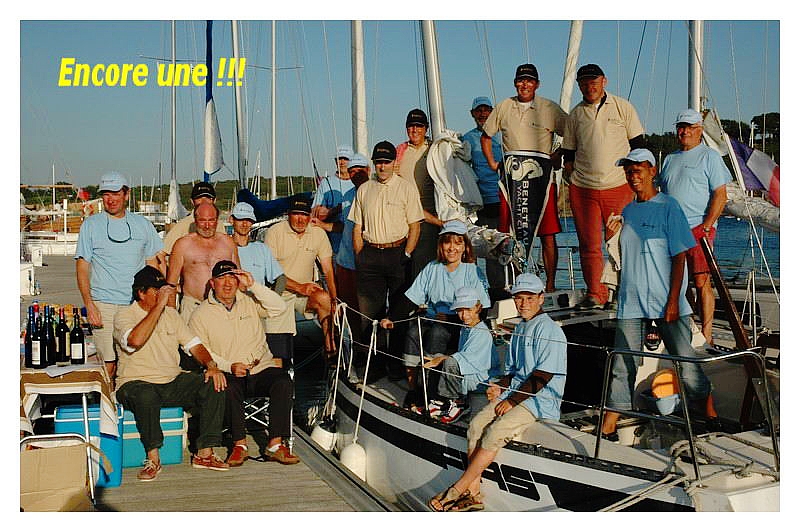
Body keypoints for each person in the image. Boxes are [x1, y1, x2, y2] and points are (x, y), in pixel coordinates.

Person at [598, 149, 718, 441]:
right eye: (629, 171)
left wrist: (673, 301)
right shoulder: (628, 211)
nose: (633, 176)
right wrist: (608, 237)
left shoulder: (669, 206)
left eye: (638, 170)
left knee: (686, 364)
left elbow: (680, 256)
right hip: (631, 301)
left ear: (652, 171)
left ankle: (711, 415)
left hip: (667, 302)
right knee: (622, 364)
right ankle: (609, 425)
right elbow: (621, 255)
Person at [428, 273, 567, 512]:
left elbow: (543, 376)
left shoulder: (550, 331)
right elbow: (513, 372)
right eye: (519, 298)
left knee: (494, 432)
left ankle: (457, 490)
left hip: (539, 400)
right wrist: (500, 386)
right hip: (516, 392)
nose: (523, 303)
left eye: (529, 298)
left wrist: (511, 401)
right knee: (475, 426)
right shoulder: (520, 327)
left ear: (541, 298)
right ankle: (473, 494)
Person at [114, 265, 229, 481]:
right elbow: (135, 341)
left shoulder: (171, 315)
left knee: (214, 382)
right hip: (134, 382)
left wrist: (211, 366)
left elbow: (194, 345)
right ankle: (153, 458)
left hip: (171, 380)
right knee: (145, 395)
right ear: (141, 293)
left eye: (164, 291)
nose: (162, 295)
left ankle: (205, 453)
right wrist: (159, 307)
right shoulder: (125, 315)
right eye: (157, 291)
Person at [188, 260, 299, 466]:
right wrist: (228, 366)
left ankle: (275, 445)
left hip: (260, 367)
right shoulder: (200, 314)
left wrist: (253, 285)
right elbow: (202, 351)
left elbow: (279, 307)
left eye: (232, 278)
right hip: (229, 371)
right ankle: (240, 445)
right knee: (227, 387)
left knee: (283, 381)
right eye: (222, 278)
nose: (228, 283)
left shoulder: (249, 300)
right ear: (212, 283)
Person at [379, 220, 490, 409]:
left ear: (465, 247)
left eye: (458, 243)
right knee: (413, 333)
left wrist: (451, 318)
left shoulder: (472, 271)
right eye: (447, 242)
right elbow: (412, 297)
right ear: (441, 245)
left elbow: (483, 310)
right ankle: (414, 389)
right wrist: (392, 318)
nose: (452, 248)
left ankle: (431, 391)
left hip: (458, 324)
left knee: (437, 334)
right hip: (431, 319)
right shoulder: (432, 267)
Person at [561, 63, 646, 309]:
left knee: (621, 242)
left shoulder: (622, 107)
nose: (590, 87)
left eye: (594, 82)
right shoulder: (575, 114)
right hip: (583, 189)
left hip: (618, 185)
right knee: (589, 245)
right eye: (585, 83)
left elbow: (639, 146)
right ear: (579, 86)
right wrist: (572, 175)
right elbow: (568, 153)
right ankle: (595, 294)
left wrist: (638, 182)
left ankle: (624, 292)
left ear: (604, 81)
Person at [481, 64, 568, 293]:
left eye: (529, 80)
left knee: (548, 233)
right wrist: (493, 163)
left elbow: (571, 132)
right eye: (521, 80)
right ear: (515, 83)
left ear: (537, 84)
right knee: (510, 234)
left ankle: (550, 285)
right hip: (512, 179)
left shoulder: (549, 107)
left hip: (542, 178)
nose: (525, 85)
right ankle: (519, 283)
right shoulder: (504, 106)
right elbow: (486, 136)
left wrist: (558, 154)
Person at [75, 171, 163, 379]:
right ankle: (107, 399)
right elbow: (82, 268)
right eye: (106, 194)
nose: (111, 199)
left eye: (115, 193)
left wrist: (157, 303)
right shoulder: (90, 225)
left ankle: (126, 397)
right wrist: (89, 304)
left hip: (136, 305)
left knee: (135, 361)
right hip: (103, 305)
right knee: (108, 365)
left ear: (126, 194)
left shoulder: (143, 225)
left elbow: (153, 265)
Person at [349, 140, 424, 380]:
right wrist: (360, 256)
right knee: (369, 316)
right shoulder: (364, 190)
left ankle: (396, 365)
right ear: (374, 164)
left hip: (398, 253)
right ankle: (375, 365)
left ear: (394, 163)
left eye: (386, 161)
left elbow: (415, 226)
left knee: (400, 313)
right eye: (378, 162)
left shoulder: (406, 188)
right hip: (370, 254)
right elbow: (357, 226)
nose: (382, 166)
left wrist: (407, 253)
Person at [658, 109, 732, 344]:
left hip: (699, 228)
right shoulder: (669, 159)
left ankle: (707, 333)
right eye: (681, 127)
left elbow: (720, 195)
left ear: (700, 130)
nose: (685, 131)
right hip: (672, 231)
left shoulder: (710, 157)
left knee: (701, 281)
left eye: (690, 127)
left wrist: (707, 225)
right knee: (677, 283)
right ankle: (689, 325)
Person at [265, 197, 338, 355]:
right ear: (288, 214)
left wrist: (334, 298)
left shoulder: (318, 233)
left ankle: (331, 351)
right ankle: (279, 360)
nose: (300, 219)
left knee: (324, 299)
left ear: (309, 216)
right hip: (279, 292)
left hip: (305, 293)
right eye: (296, 214)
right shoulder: (275, 232)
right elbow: (271, 272)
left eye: (304, 214)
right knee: (277, 347)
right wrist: (299, 287)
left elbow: (328, 269)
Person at [423, 286, 500, 424]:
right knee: (435, 357)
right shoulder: (466, 328)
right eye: (460, 310)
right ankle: (437, 400)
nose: (464, 315)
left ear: (478, 308)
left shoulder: (481, 332)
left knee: (448, 362)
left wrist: (442, 359)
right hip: (470, 372)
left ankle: (454, 402)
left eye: (468, 310)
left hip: (481, 379)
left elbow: (464, 360)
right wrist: (438, 358)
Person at [228, 201, 292, 362]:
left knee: (258, 355)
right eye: (240, 219)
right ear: (231, 220)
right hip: (230, 309)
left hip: (255, 308)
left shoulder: (261, 248)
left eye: (248, 220)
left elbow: (280, 278)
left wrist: (271, 299)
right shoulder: (223, 246)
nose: (245, 224)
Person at [312, 153, 371, 316]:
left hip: (368, 262)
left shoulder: (377, 192)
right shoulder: (347, 196)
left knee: (369, 307)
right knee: (349, 307)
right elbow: (343, 226)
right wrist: (322, 225)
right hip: (345, 261)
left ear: (368, 170)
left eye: (360, 170)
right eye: (352, 171)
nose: (356, 174)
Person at [461, 96, 506, 300]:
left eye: (486, 110)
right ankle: (488, 291)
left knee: (506, 244)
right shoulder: (468, 139)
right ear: (472, 114)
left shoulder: (503, 135)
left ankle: (513, 287)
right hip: (480, 203)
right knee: (485, 247)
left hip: (503, 199)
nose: (483, 114)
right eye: (478, 111)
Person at [166, 202, 240, 321]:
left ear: (217, 220)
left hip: (222, 307)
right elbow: (171, 284)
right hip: (192, 307)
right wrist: (172, 317)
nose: (207, 226)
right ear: (195, 220)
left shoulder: (228, 243)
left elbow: (238, 277)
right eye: (202, 220)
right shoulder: (182, 245)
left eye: (211, 220)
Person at [396, 108, 443, 278]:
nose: (414, 130)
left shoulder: (435, 149)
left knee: (425, 265)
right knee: (405, 266)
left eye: (419, 126)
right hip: (404, 219)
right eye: (411, 126)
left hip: (429, 220)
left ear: (426, 128)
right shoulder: (399, 152)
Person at [160, 181, 227, 260]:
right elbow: (161, 253)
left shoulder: (220, 224)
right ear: (192, 201)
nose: (204, 201)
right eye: (199, 198)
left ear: (214, 200)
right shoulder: (183, 225)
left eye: (208, 198)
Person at [311, 145, 355, 256]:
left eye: (346, 159)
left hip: (354, 245)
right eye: (339, 159)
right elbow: (315, 213)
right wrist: (329, 212)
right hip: (333, 246)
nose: (342, 162)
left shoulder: (358, 183)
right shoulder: (326, 183)